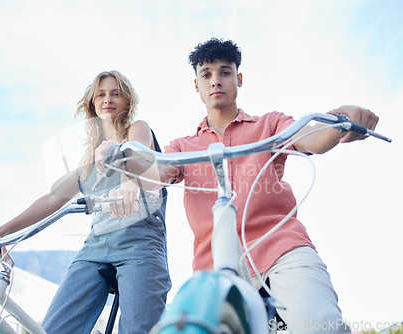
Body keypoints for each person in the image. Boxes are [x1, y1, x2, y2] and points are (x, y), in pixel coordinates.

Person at [153, 38, 377, 333]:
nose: (215, 81)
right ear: (197, 85)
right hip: (215, 266)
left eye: (225, 72)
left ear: (239, 78)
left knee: (323, 326)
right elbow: (156, 172)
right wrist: (125, 161)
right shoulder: (183, 146)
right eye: (206, 74)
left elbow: (310, 138)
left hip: (279, 247)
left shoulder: (269, 125)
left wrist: (340, 120)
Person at [0, 70, 171, 334]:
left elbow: (137, 154)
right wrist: (1, 230)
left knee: (139, 330)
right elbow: (53, 198)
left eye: (115, 93)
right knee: (53, 329)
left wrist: (128, 176)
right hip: (96, 247)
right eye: (100, 94)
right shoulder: (88, 163)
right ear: (92, 102)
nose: (107, 99)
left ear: (127, 101)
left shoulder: (138, 129)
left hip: (141, 244)